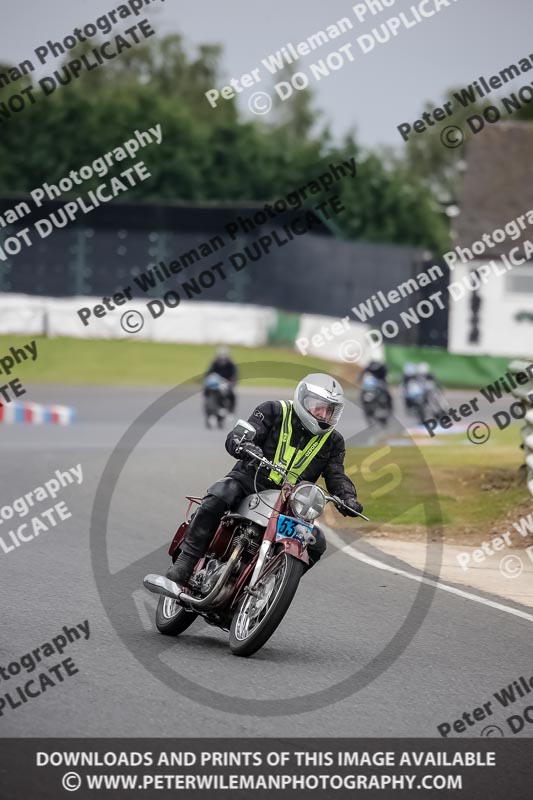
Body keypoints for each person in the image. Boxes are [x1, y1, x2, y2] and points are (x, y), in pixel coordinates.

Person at [168, 373, 363, 587]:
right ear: (302, 398)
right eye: (318, 406)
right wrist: (244, 443)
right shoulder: (272, 410)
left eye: (330, 410)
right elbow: (244, 433)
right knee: (221, 493)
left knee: (317, 542)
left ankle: (272, 585)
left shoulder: (334, 441)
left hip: (291, 503)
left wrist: (348, 497)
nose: (323, 414)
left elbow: (336, 473)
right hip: (250, 481)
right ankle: (187, 559)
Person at [204, 346, 238, 413]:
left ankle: (231, 410)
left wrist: (231, 382)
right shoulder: (214, 363)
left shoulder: (230, 364)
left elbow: (234, 375)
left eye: (224, 355)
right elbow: (208, 373)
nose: (222, 358)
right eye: (221, 355)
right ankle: (208, 406)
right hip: (215, 383)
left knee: (232, 394)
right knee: (206, 390)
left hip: (226, 383)